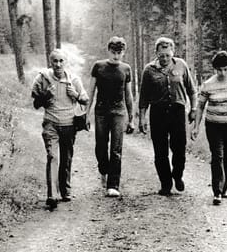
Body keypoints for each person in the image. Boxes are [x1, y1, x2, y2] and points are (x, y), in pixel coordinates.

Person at [138, 37, 197, 196]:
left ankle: (177, 176)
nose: (164, 58)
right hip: (158, 112)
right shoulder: (149, 70)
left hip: (177, 111)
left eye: (167, 55)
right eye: (161, 55)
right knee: (160, 151)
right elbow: (144, 97)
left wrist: (194, 108)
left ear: (172, 53)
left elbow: (191, 90)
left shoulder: (181, 65)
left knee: (180, 148)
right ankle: (166, 183)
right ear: (156, 53)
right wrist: (142, 118)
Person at [31, 49, 89, 211]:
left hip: (70, 124)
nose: (58, 64)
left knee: (66, 158)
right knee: (52, 156)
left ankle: (65, 191)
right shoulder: (42, 79)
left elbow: (85, 99)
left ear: (66, 62)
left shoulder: (73, 79)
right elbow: (35, 104)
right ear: (50, 62)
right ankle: (52, 195)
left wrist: (76, 95)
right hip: (50, 124)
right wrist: (45, 95)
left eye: (61, 61)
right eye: (55, 61)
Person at [190, 50, 227, 205]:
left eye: (226, 69)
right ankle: (216, 191)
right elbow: (200, 106)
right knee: (218, 156)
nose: (223, 72)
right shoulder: (208, 84)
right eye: (219, 69)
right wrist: (196, 127)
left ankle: (224, 189)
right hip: (213, 125)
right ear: (214, 69)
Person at [87, 36, 134, 197]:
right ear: (108, 51)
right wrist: (86, 115)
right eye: (113, 52)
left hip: (118, 112)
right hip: (101, 111)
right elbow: (91, 92)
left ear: (123, 53)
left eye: (119, 53)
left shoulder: (126, 69)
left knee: (116, 149)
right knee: (101, 145)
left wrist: (131, 118)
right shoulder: (98, 67)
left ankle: (113, 185)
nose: (116, 56)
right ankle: (103, 170)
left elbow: (128, 95)